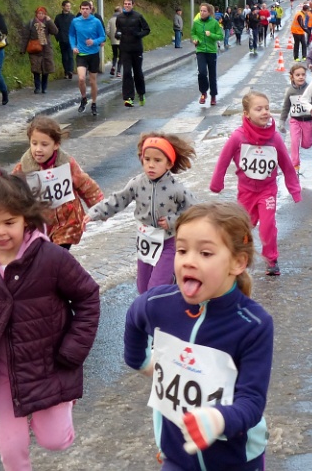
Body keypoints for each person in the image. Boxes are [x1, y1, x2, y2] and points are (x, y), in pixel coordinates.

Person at [0, 169, 100, 471]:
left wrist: (75, 347)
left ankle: (62, 404)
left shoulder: (51, 258)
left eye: (9, 222)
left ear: (26, 218)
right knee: (9, 445)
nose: (0, 232)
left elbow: (88, 297)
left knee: (55, 440)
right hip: (3, 367)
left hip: (49, 363)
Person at [122, 201, 273, 469]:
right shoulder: (158, 303)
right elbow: (134, 316)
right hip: (176, 457)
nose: (189, 261)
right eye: (182, 250)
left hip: (237, 461)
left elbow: (252, 402)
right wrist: (140, 360)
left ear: (237, 262)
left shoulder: (254, 324)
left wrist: (218, 419)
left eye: (205, 253)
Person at [88, 133, 197, 293]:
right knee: (143, 289)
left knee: (155, 287)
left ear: (169, 163)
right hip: (145, 242)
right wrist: (94, 213)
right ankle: (169, 288)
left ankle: (168, 294)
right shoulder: (136, 184)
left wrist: (173, 220)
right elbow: (118, 199)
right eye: (147, 159)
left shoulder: (176, 188)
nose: (151, 165)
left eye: (157, 160)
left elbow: (194, 210)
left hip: (168, 243)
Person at [210, 92, 301, 275]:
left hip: (267, 190)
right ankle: (239, 257)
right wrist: (216, 183)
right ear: (247, 114)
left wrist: (295, 190)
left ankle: (271, 260)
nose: (265, 112)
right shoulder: (238, 137)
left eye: (267, 108)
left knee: (268, 226)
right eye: (258, 109)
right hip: (246, 191)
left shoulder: (275, 138)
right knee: (244, 227)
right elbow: (223, 160)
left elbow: (286, 164)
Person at [13, 115, 104, 249]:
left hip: (67, 222)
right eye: (34, 143)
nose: (38, 149)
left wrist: (101, 208)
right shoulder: (23, 169)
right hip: (38, 224)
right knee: (42, 256)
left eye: (44, 144)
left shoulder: (67, 164)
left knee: (58, 255)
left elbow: (86, 185)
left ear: (56, 145)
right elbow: (10, 192)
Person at [69, 1, 106, 116]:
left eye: (87, 9)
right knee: (81, 79)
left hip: (93, 54)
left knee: (92, 81)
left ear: (90, 10)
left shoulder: (96, 21)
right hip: (81, 54)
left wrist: (94, 41)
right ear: (80, 10)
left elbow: (103, 36)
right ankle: (84, 98)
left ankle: (94, 103)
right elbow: (71, 35)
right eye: (83, 9)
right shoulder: (75, 21)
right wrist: (73, 46)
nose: (85, 11)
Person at [115, 0, 152, 108]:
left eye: (129, 4)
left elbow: (147, 29)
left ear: (133, 5)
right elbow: (118, 30)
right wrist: (117, 34)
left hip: (136, 49)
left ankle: (141, 94)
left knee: (137, 73)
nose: (127, 5)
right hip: (125, 49)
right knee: (126, 73)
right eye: (125, 4)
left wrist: (138, 34)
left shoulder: (138, 16)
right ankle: (128, 98)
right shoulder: (120, 17)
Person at [279, 64, 312, 173]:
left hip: (308, 121)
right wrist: (282, 121)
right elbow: (286, 107)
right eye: (298, 75)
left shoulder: (309, 89)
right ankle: (295, 165)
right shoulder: (290, 91)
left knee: (307, 144)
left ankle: (306, 142)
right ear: (292, 77)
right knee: (294, 141)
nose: (301, 77)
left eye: (303, 74)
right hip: (295, 120)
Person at [19, 6, 59, 95]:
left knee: (46, 69)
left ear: (45, 14)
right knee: (35, 69)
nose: (40, 15)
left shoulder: (47, 22)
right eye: (39, 13)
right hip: (34, 49)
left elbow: (55, 31)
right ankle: (37, 87)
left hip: (46, 49)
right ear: (36, 14)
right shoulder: (31, 23)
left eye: (42, 13)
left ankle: (44, 87)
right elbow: (26, 37)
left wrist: (50, 21)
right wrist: (23, 49)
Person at [193, 3, 222, 106]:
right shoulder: (196, 23)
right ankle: (203, 92)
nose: (202, 12)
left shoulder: (214, 23)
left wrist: (211, 35)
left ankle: (213, 96)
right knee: (201, 72)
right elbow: (193, 33)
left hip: (211, 51)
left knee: (212, 75)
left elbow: (221, 36)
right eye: (201, 10)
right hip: (200, 50)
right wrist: (195, 39)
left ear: (209, 12)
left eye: (204, 11)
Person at [54, 0, 75, 79]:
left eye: (69, 6)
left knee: (70, 56)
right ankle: (66, 72)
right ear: (63, 6)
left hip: (70, 39)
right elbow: (55, 28)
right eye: (67, 6)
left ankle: (70, 71)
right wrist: (58, 37)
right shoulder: (58, 17)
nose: (69, 7)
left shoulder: (72, 17)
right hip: (62, 39)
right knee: (64, 57)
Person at [106, 5, 121, 77]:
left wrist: (111, 37)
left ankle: (113, 66)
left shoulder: (110, 20)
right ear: (120, 11)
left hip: (113, 41)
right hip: (121, 40)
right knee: (121, 56)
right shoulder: (122, 19)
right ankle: (118, 72)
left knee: (115, 55)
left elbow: (107, 30)